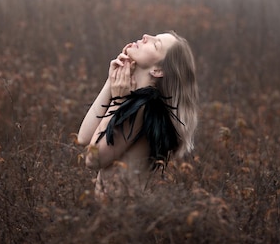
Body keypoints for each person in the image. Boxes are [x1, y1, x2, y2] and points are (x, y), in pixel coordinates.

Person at [77, 31, 198, 199]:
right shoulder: (136, 100)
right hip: (116, 216)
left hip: (123, 218)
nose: (146, 36)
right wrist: (111, 82)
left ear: (157, 70)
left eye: (155, 44)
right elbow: (83, 138)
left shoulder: (144, 106)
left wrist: (118, 100)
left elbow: (93, 159)